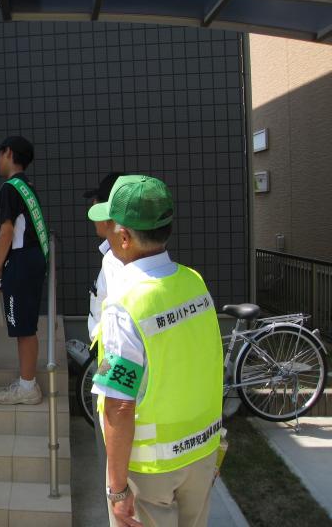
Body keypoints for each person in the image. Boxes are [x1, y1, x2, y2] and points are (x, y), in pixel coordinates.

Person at [88, 175, 223, 527]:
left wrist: (117, 490)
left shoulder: (123, 305)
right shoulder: (194, 282)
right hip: (202, 451)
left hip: (150, 471)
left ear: (124, 236)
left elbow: (118, 403)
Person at [0, 136, 47, 405]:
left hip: (21, 261)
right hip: (33, 259)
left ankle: (27, 386)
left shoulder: (9, 188)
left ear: (8, 153)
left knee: (23, 327)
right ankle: (27, 382)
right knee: (27, 325)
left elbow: (7, 230)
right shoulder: (28, 187)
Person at [85, 172, 126, 472]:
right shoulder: (112, 259)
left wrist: (118, 486)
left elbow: (121, 403)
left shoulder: (119, 267)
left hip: (113, 370)